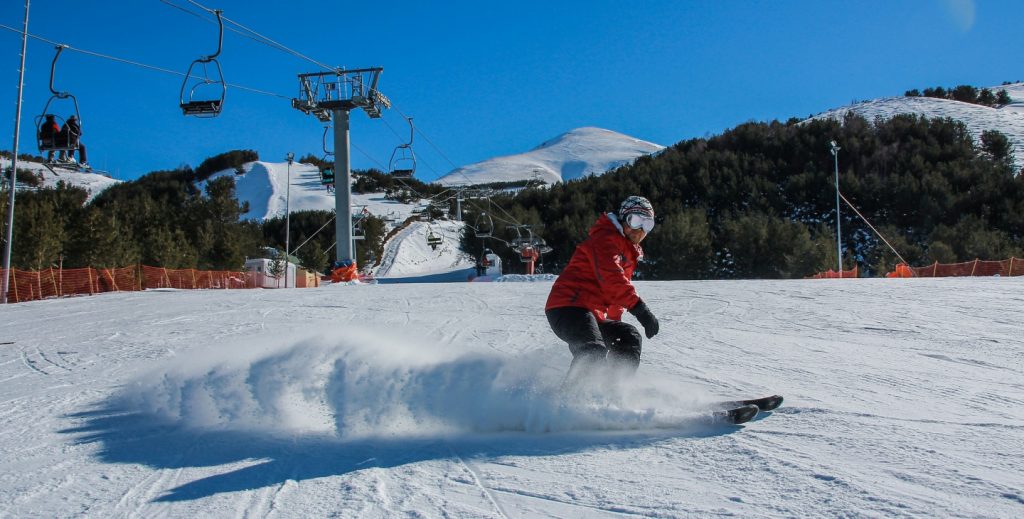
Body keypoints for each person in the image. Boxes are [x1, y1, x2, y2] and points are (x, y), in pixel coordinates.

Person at [545, 195, 660, 389]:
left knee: (628, 336)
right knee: (593, 350)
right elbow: (613, 280)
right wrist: (641, 310)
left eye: (647, 224)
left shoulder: (627, 252)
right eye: (635, 220)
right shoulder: (605, 239)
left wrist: (615, 324)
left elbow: (615, 297)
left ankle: (612, 392)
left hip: (591, 313)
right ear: (623, 219)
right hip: (567, 308)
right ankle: (566, 402)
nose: (639, 230)